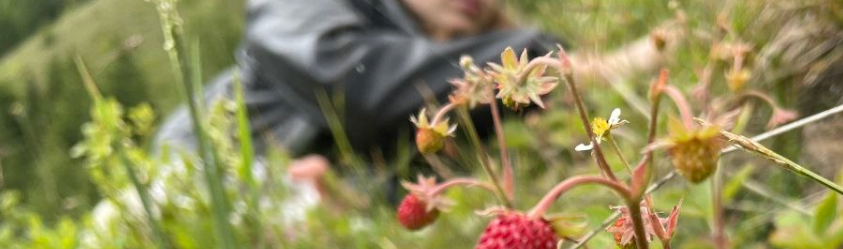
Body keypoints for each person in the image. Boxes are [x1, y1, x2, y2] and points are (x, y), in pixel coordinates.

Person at [154, 0, 668, 194]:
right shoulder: (308, 8)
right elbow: (354, 87)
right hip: (181, 176)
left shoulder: (455, 82)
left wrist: (356, 199)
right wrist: (540, 59)